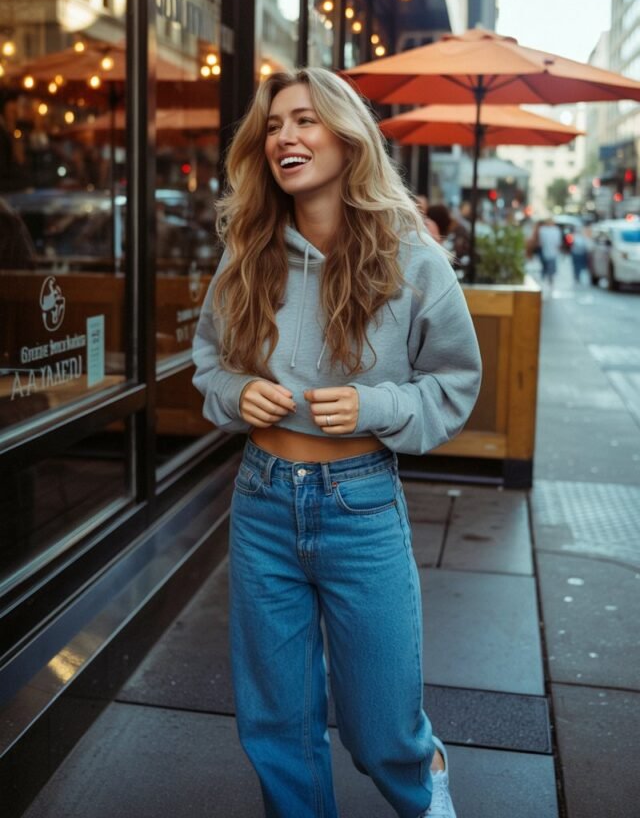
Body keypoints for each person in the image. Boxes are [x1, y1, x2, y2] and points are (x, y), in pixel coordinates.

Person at [192, 67, 482, 818]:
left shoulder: (411, 256)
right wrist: (233, 393)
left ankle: (426, 785)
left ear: (348, 136)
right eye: (275, 125)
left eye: (305, 120)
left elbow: (453, 385)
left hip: (360, 505)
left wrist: (369, 405)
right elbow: (210, 363)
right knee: (276, 726)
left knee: (381, 725)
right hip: (260, 503)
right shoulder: (247, 251)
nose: (285, 136)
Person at [537, 216, 563, 289]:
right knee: (549, 266)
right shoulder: (554, 230)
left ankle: (545, 279)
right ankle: (548, 280)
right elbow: (558, 243)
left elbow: (541, 242)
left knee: (546, 266)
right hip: (550, 252)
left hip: (548, 251)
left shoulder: (543, 230)